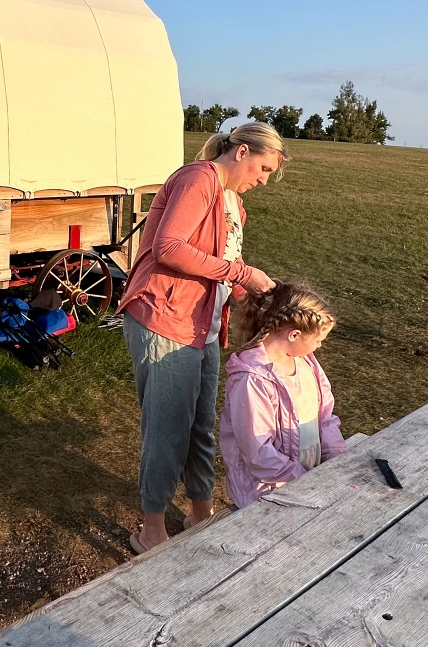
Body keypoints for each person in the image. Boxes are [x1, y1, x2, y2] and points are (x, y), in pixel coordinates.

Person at [118, 121, 287, 554]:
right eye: (264, 169)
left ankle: (200, 512)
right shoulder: (198, 180)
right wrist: (241, 273)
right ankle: (152, 530)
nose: (263, 181)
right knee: (167, 428)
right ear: (242, 152)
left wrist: (251, 292)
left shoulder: (233, 203)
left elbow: (222, 261)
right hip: (165, 318)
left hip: (203, 325)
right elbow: (169, 248)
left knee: (200, 426)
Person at [219, 282, 347, 509]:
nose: (319, 346)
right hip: (265, 495)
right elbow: (259, 453)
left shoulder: (307, 363)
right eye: (319, 340)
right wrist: (304, 481)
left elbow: (325, 415)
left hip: (305, 482)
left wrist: (337, 458)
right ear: (294, 335)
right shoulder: (252, 380)